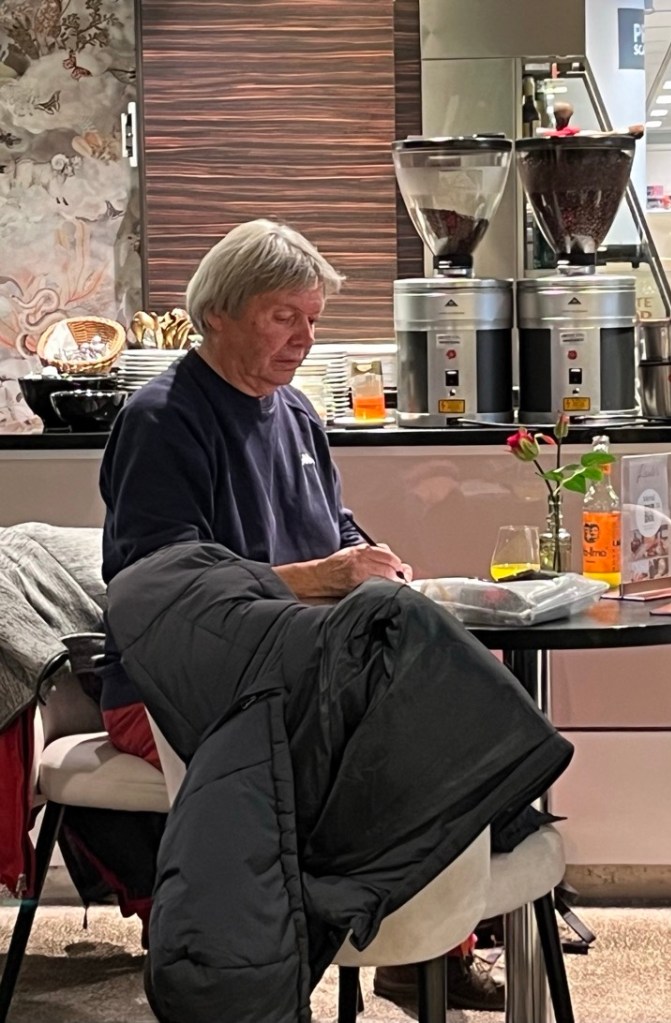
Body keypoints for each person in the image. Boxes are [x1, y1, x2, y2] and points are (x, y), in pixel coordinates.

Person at [98, 219, 505, 1011]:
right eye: (285, 316)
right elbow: (165, 600)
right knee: (407, 729)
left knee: (470, 687)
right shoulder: (162, 419)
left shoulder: (297, 413)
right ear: (217, 313)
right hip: (168, 690)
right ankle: (306, 957)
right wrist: (326, 577)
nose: (305, 339)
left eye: (314, 319)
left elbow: (334, 531)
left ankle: (434, 938)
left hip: (292, 666)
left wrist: (374, 562)